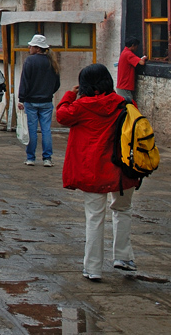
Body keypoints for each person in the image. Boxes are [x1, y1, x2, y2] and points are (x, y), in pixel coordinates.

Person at [57, 64, 140, 282]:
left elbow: (61, 115)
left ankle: (93, 267)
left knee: (95, 217)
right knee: (123, 210)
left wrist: (69, 95)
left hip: (93, 170)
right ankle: (123, 256)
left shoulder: (82, 106)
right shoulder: (124, 104)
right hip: (123, 170)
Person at [18, 34, 61, 167]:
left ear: (37, 48)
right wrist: (48, 93)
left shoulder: (30, 61)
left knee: (32, 130)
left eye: (31, 46)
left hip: (31, 101)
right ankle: (47, 158)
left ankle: (31, 157)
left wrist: (21, 98)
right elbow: (57, 84)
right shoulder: (51, 61)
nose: (29, 47)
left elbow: (25, 81)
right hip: (47, 101)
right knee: (46, 130)